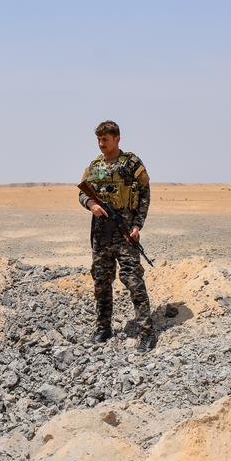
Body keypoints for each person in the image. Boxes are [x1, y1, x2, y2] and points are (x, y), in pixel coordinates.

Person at [78, 120, 155, 352]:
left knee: (133, 280)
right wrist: (90, 203)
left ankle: (146, 332)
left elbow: (145, 194)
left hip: (125, 233)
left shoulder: (132, 163)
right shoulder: (93, 166)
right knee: (101, 282)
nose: (102, 144)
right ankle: (103, 328)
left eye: (106, 139)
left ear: (117, 139)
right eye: (99, 140)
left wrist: (138, 225)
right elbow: (81, 194)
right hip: (101, 235)